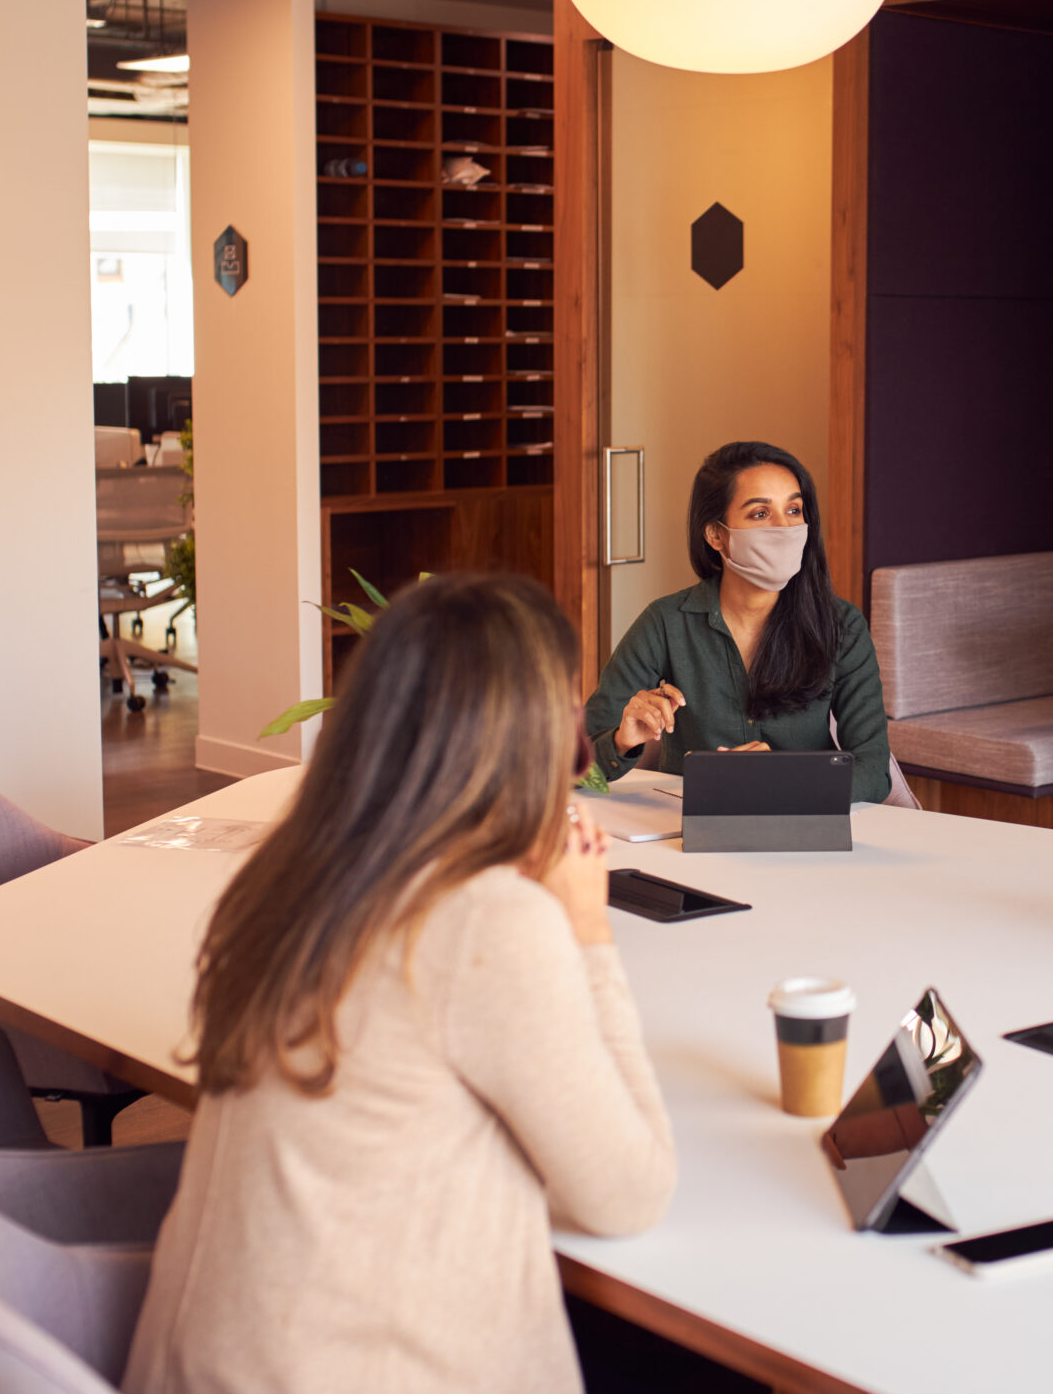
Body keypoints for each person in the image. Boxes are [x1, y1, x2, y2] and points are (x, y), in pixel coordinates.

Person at [123, 574, 675, 1394]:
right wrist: (587, 929)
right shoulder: (485, 917)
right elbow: (629, 1192)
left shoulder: (302, 870)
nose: (581, 754)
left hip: (206, 1361)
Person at [585, 440, 892, 802]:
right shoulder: (665, 622)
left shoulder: (843, 625)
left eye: (794, 510)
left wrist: (782, 776)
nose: (784, 527)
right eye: (760, 514)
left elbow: (873, 772)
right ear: (716, 534)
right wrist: (621, 740)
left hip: (803, 831)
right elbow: (570, 768)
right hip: (684, 835)